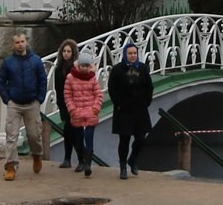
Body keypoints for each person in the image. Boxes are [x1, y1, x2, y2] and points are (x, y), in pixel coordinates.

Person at [0, 30, 49, 180]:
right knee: (11, 136)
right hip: (15, 104)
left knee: (34, 135)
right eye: (17, 42)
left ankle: (37, 155)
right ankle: (11, 167)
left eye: (22, 42)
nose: (20, 45)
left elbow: (42, 80)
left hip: (32, 103)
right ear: (13, 44)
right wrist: (7, 99)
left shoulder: (36, 61)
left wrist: (39, 98)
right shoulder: (8, 62)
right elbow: (1, 82)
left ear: (26, 42)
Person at [108, 40, 155, 178]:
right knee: (124, 139)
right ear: (125, 54)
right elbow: (112, 89)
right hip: (123, 109)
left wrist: (147, 101)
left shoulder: (143, 68)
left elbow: (149, 86)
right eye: (130, 53)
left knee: (141, 138)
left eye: (134, 53)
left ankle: (133, 159)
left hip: (140, 109)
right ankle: (122, 167)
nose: (132, 55)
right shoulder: (117, 70)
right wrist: (118, 103)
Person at [62, 55, 103, 175]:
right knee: (78, 139)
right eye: (83, 66)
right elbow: (68, 95)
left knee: (89, 138)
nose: (85, 68)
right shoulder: (70, 78)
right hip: (77, 112)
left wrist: (95, 108)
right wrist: (72, 110)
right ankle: (81, 161)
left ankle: (88, 164)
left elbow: (98, 94)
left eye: (87, 66)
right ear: (78, 66)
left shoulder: (92, 78)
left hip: (90, 112)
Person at [49, 38, 86, 170]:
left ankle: (82, 161)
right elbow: (58, 89)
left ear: (73, 53)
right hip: (65, 105)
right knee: (67, 132)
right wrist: (61, 105)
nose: (66, 53)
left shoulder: (77, 68)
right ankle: (67, 159)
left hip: (76, 106)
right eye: (64, 51)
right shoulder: (59, 68)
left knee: (78, 133)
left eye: (68, 51)